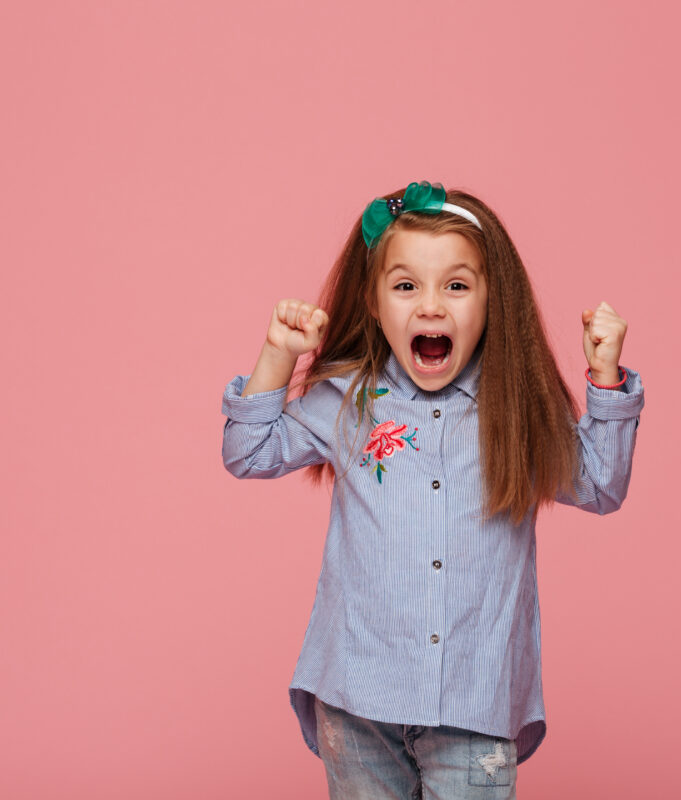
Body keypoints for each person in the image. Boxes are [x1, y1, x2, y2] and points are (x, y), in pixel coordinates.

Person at [222, 181, 645, 799]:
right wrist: (277, 356)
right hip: (358, 699)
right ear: (372, 302)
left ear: (490, 299)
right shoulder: (349, 400)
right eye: (405, 285)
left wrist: (605, 380)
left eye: (456, 285)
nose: (430, 306)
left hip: (474, 708)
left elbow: (602, 485)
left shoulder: (518, 410)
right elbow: (247, 451)